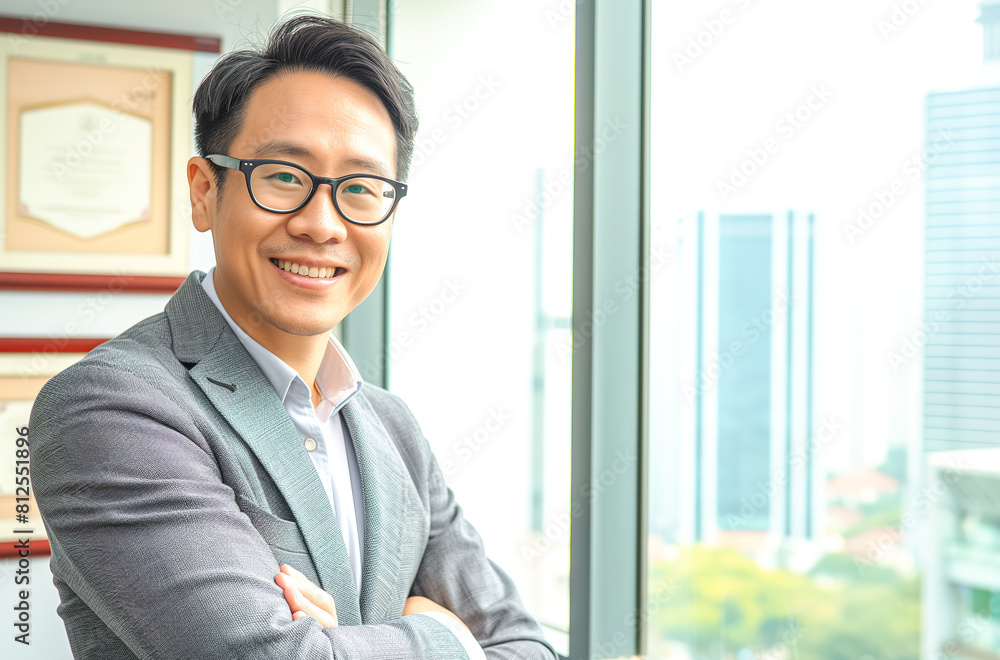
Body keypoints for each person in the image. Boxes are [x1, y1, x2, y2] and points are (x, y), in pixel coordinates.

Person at [29, 15, 556, 660]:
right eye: (283, 176)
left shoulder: (394, 428)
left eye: (361, 188)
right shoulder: (111, 407)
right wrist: (449, 637)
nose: (322, 224)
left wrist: (339, 642)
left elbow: (529, 646)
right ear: (204, 192)